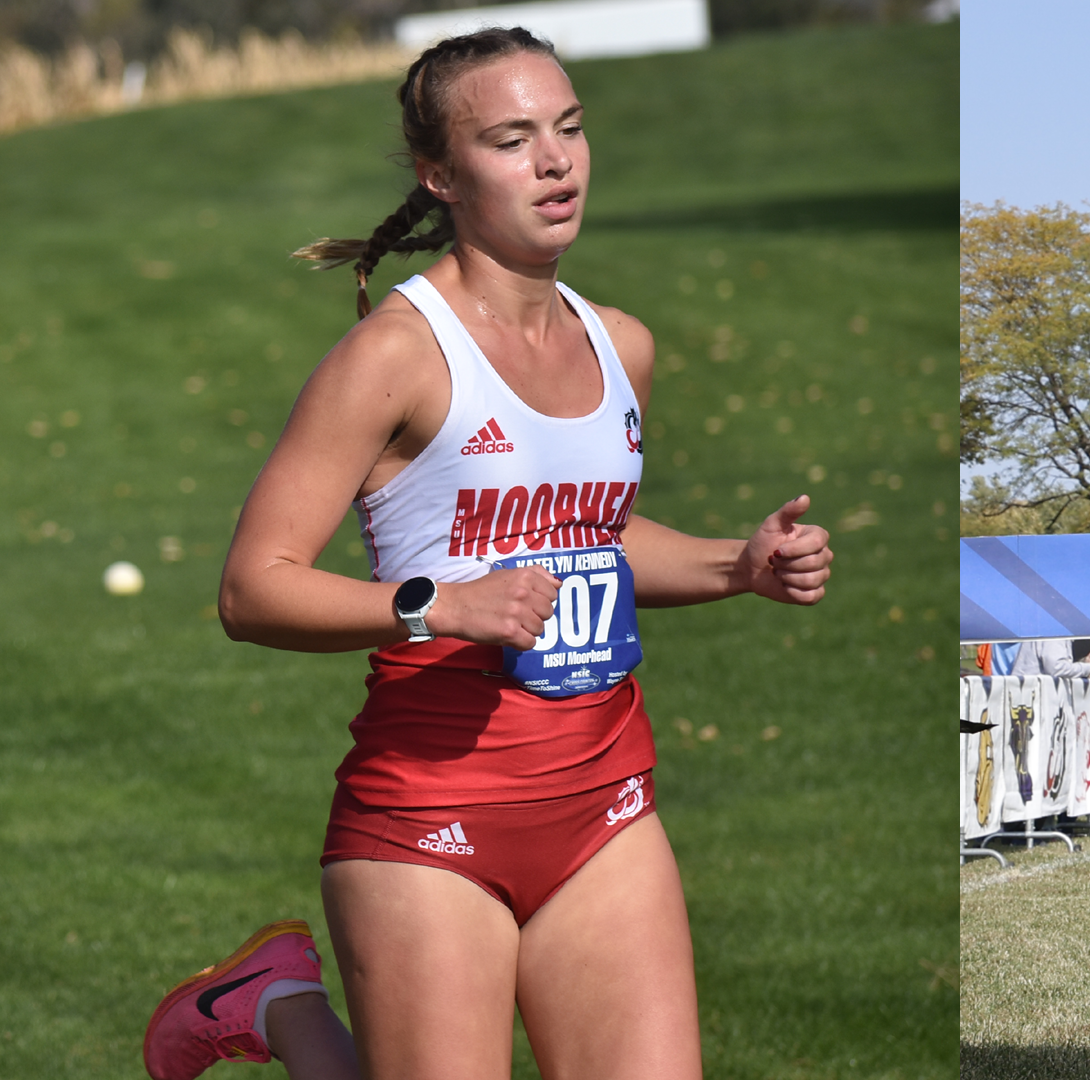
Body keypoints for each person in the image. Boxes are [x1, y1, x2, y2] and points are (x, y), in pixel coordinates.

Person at [141, 29, 834, 1080]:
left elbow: (592, 536)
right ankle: (277, 1006)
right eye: (512, 141)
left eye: (569, 129)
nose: (556, 162)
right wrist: (442, 607)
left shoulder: (622, 344)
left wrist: (737, 567)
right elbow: (253, 589)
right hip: (428, 816)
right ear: (441, 174)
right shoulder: (395, 355)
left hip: (606, 806)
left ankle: (271, 999)